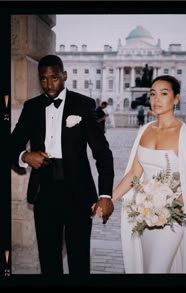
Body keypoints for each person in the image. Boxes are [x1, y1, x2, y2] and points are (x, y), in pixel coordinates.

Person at [11, 55, 114, 276]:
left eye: (55, 78)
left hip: (78, 193)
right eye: (44, 79)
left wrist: (106, 195)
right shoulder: (31, 107)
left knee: (79, 260)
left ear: (64, 76)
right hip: (44, 192)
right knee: (48, 261)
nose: (49, 85)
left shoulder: (84, 105)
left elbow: (103, 154)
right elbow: (10, 146)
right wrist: (25, 156)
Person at [112, 75, 186, 273]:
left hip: (171, 221)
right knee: (146, 267)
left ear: (176, 98)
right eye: (152, 94)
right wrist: (108, 199)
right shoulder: (144, 130)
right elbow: (134, 174)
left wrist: (165, 209)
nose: (156, 99)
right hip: (144, 219)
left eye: (164, 93)